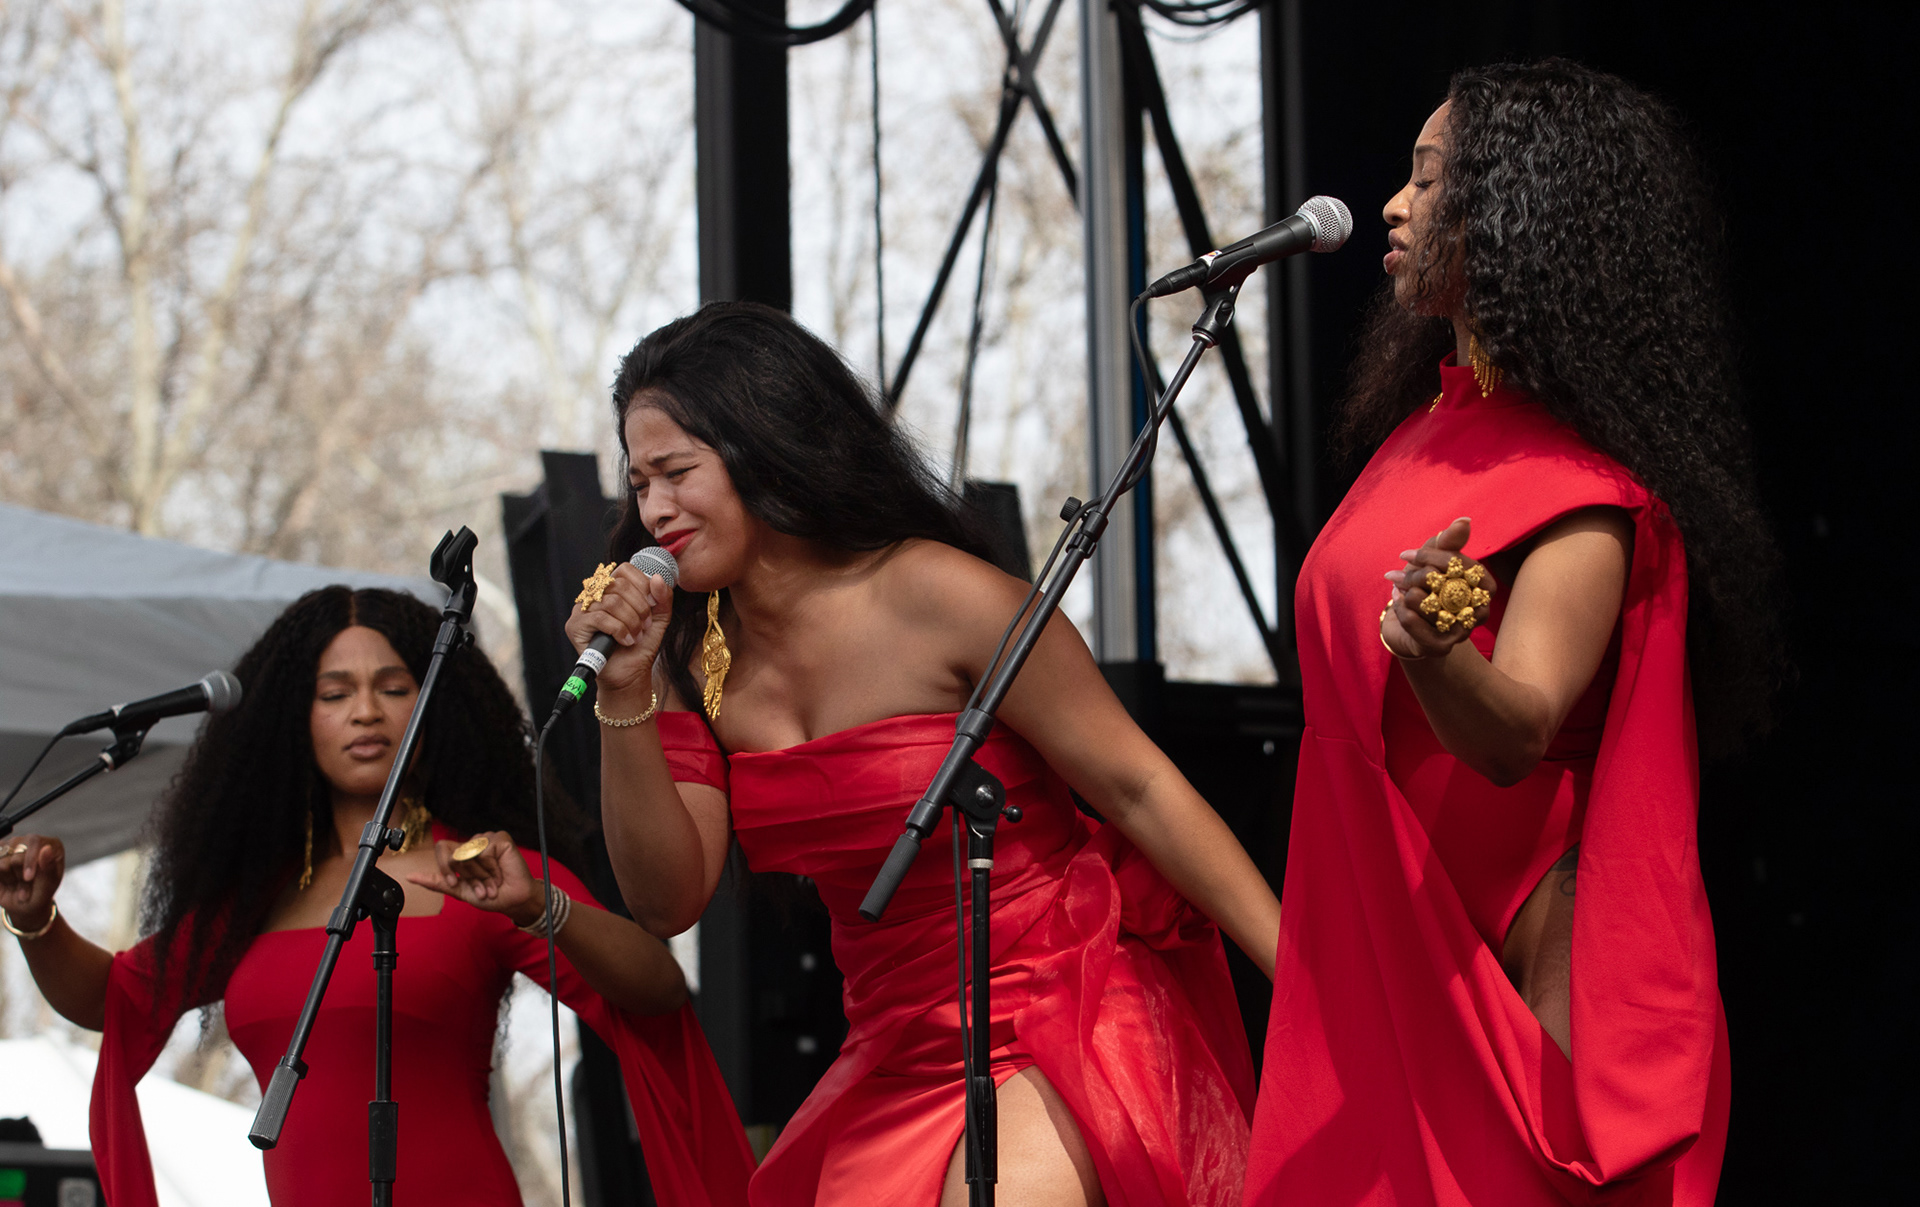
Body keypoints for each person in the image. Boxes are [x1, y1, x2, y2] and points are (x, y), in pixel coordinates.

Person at [567, 301, 1280, 1206]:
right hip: (895, 1045)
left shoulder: (945, 595)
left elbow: (1138, 787)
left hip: (1063, 993)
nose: (655, 509)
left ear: (765, 445)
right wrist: (623, 696)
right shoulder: (688, 657)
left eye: (677, 472)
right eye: (639, 483)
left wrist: (1301, 973)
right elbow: (669, 899)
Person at [1242, 60, 1778, 1205]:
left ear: (1521, 215)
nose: (1393, 204)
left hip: (1511, 986)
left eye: (1431, 181)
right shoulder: (1424, 435)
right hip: (1380, 954)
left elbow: (1515, 733)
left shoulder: (1583, 495)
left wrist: (1434, 658)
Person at [0, 586, 754, 1207]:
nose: (366, 711)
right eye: (335, 693)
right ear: (296, 722)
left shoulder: (483, 869)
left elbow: (657, 990)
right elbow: (120, 999)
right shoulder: (257, 898)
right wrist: (36, 921)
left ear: (436, 712)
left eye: (395, 688)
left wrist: (538, 908)